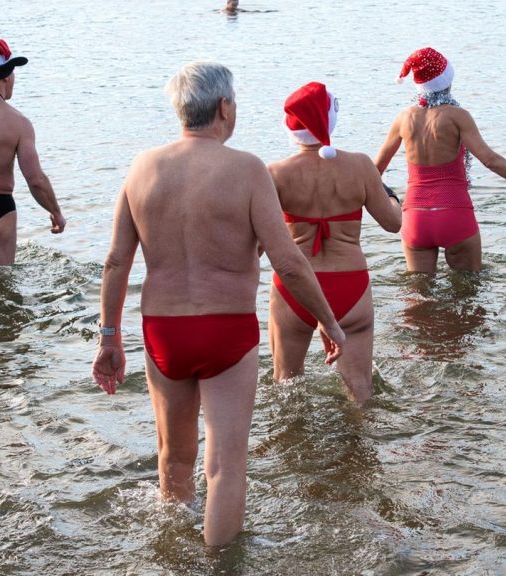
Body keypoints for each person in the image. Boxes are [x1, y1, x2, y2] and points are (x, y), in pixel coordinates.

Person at [91, 62, 346, 547]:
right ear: (224, 108)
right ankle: (218, 560)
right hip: (226, 327)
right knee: (226, 467)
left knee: (174, 458)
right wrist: (327, 322)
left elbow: (115, 262)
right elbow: (288, 262)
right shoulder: (246, 168)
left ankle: (174, 550)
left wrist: (109, 337)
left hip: (163, 330)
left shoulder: (142, 167)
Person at [267, 82, 401, 403]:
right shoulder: (360, 166)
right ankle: (360, 449)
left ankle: (291, 448)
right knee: (360, 391)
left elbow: (258, 243)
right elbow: (393, 223)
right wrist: (392, 196)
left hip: (295, 288)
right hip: (349, 285)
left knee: (286, 387)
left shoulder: (275, 173)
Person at [375, 47, 506, 272]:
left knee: (417, 300)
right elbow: (490, 160)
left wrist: (386, 204)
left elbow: (374, 172)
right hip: (454, 213)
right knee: (469, 293)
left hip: (415, 218)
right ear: (447, 78)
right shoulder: (457, 116)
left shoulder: (403, 118)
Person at [0, 39, 65, 265]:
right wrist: (56, 212)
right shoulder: (18, 122)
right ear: (7, 75)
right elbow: (35, 179)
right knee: (0, 285)